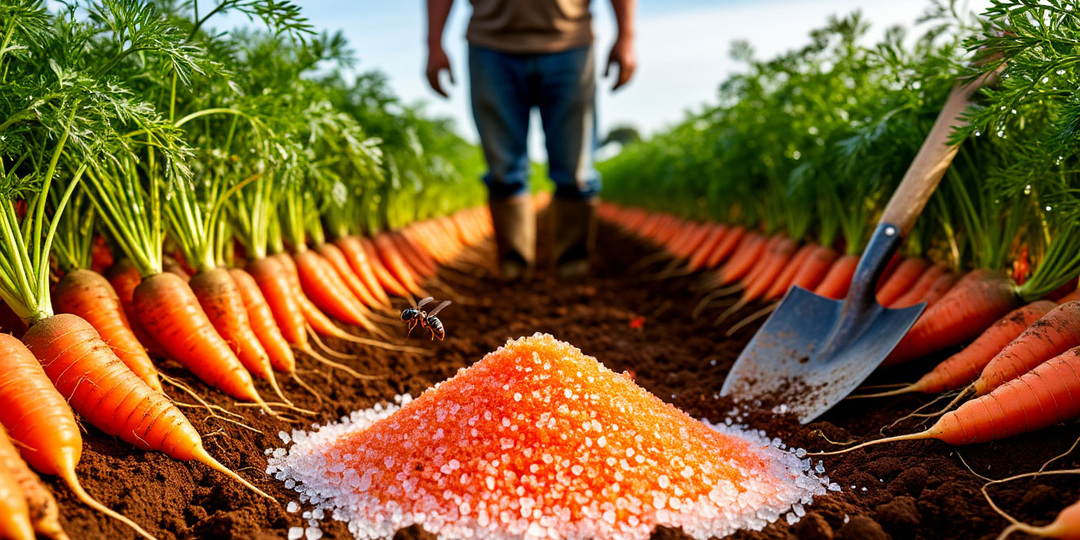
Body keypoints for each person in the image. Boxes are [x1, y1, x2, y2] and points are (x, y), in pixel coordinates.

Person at [425, 0, 636, 280]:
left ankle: (573, 269)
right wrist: (433, 44)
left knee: (577, 170)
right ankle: (513, 270)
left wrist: (626, 37)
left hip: (570, 42)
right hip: (490, 45)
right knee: (503, 168)